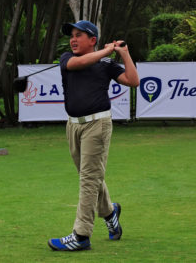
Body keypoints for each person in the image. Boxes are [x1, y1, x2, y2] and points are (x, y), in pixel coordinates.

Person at [48, 20, 139, 251]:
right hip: (73, 126)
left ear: (93, 40)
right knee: (91, 176)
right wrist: (106, 51)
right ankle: (110, 213)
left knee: (88, 179)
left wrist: (124, 53)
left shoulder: (107, 63)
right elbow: (79, 64)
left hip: (97, 125)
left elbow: (133, 81)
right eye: (72, 35)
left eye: (79, 35)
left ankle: (81, 235)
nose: (73, 39)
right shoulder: (68, 58)